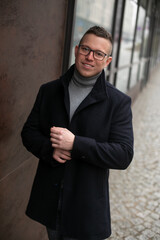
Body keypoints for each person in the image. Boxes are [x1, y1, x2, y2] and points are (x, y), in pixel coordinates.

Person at [21, 26, 134, 240]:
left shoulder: (118, 102)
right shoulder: (49, 90)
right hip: (50, 201)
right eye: (85, 49)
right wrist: (49, 150)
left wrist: (75, 144)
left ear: (107, 61)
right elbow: (29, 132)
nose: (90, 57)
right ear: (76, 50)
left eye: (98, 53)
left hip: (86, 207)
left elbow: (123, 154)